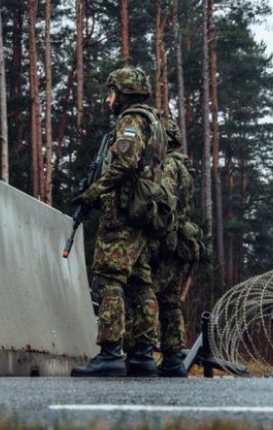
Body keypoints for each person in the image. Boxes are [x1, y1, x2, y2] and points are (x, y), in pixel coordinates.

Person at [70, 67, 164, 377]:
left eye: (111, 92)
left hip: (122, 215)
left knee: (110, 279)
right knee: (140, 285)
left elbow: (124, 163)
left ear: (123, 93)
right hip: (140, 214)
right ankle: (142, 355)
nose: (108, 99)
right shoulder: (152, 121)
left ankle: (110, 353)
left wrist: (91, 193)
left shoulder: (131, 121)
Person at [152, 118, 197, 377]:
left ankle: (143, 352)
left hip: (166, 239)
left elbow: (164, 200)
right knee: (169, 301)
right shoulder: (184, 167)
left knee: (148, 294)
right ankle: (173, 357)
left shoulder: (168, 165)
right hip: (179, 240)